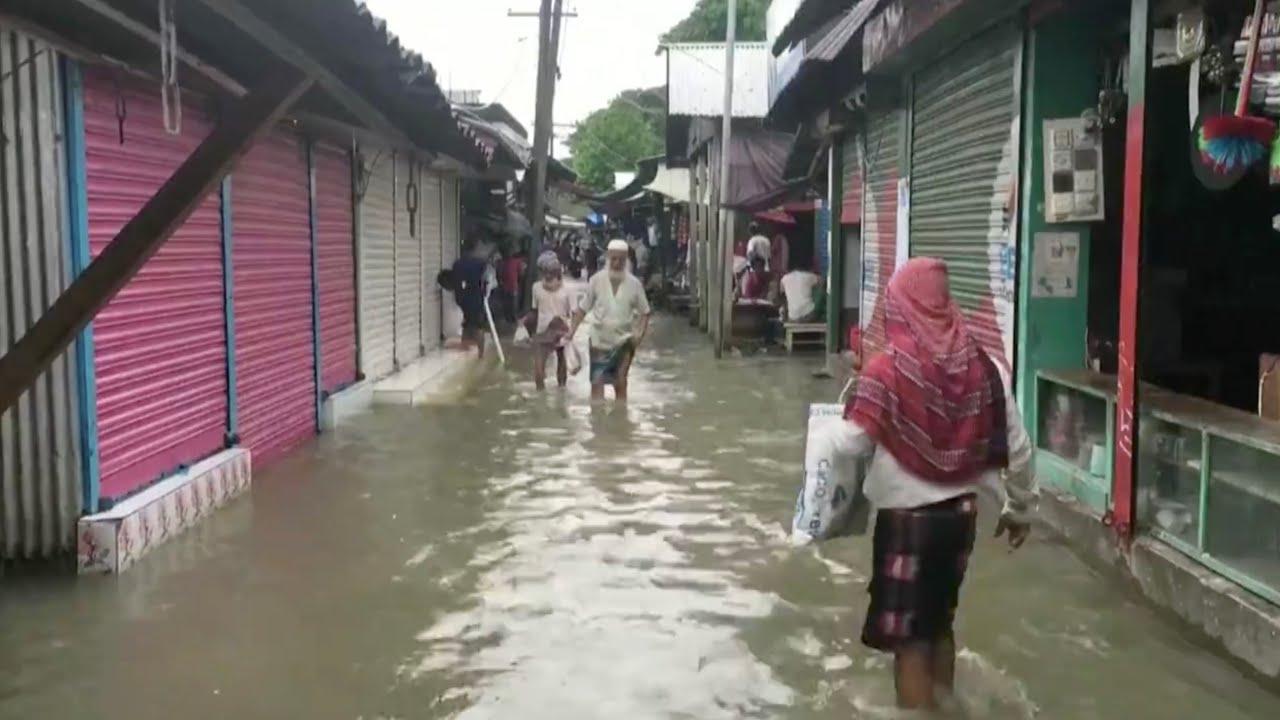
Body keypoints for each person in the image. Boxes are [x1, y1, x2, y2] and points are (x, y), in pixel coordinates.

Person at [806, 258, 1036, 711]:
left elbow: (852, 443)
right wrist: (1020, 509)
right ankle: (947, 709)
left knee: (910, 642)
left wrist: (831, 424)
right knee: (940, 626)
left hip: (907, 521)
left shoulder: (887, 370)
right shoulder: (985, 366)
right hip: (961, 519)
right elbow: (1020, 448)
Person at [570, 239, 652, 401]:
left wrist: (639, 335)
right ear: (608, 257)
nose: (617, 263)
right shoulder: (596, 280)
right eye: (613, 259)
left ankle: (621, 415)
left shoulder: (635, 284)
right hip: (598, 341)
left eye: (621, 260)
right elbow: (582, 309)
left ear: (626, 260)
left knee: (620, 382)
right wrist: (571, 332)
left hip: (624, 341)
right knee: (597, 383)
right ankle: (597, 416)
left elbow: (645, 312)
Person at [531, 254, 574, 390]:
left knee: (561, 360)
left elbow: (572, 313)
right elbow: (535, 311)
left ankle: (560, 391)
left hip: (560, 330)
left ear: (557, 272)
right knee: (539, 370)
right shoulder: (536, 287)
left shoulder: (567, 289)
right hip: (543, 330)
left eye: (551, 272)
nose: (548, 275)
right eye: (545, 271)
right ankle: (543, 394)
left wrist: (571, 332)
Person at [451, 241, 492, 357]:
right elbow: (486, 280)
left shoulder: (457, 264)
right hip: (476, 296)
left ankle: (465, 350)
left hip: (463, 297)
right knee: (478, 325)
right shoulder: (480, 264)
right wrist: (485, 293)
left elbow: (455, 283)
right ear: (474, 250)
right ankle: (480, 354)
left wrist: (458, 298)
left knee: (467, 322)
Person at [500, 251, 527, 324]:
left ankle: (507, 317)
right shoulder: (518, 262)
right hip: (513, 285)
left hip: (506, 285)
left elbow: (502, 273)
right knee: (514, 302)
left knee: (507, 302)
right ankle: (514, 317)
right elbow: (521, 274)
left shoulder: (506, 261)